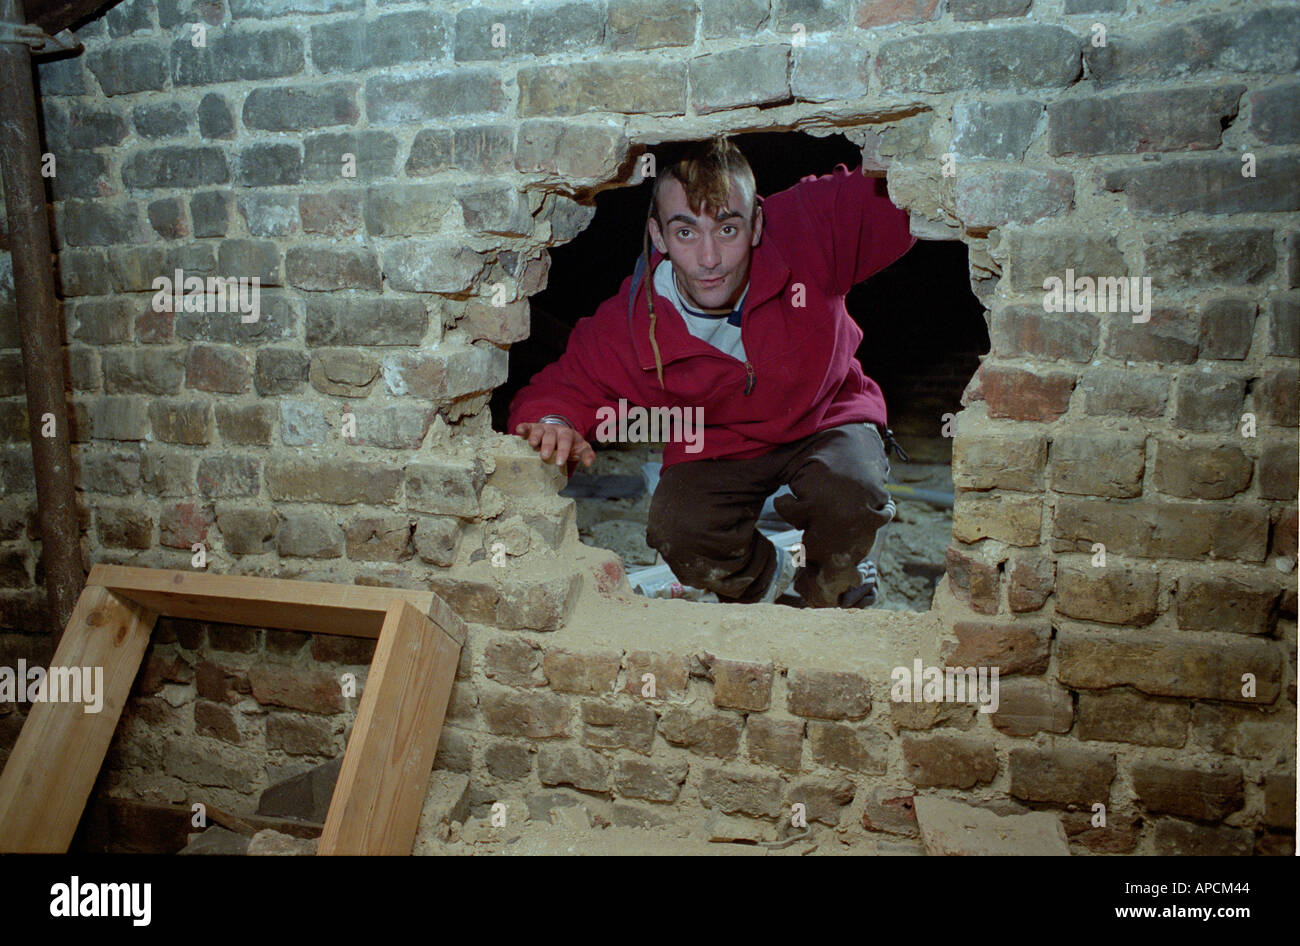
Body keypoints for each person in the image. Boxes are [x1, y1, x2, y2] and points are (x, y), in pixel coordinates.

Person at [507, 136, 917, 607]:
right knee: (679, 530)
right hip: (718, 440)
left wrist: (911, 149)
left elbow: (903, 193)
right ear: (659, 236)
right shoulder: (633, 323)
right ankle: (768, 584)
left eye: (727, 230)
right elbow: (560, 390)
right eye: (686, 232)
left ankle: (834, 586)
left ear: (757, 223)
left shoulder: (810, 226)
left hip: (827, 414)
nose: (708, 260)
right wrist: (556, 423)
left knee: (850, 494)